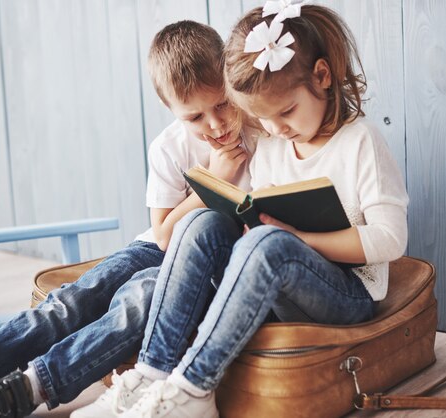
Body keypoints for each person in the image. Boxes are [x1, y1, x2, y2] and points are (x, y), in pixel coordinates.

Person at [0, 20, 253, 418]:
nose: (215, 125)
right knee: (72, 302)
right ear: (171, 110)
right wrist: (210, 185)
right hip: (154, 247)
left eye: (222, 105)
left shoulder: (261, 132)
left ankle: (28, 389)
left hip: (208, 263)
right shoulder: (169, 147)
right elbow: (163, 234)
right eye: (195, 117)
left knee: (138, 300)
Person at [103, 4, 410, 418]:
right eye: (264, 119)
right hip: (283, 286)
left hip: (348, 294)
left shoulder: (360, 143)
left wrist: (296, 239)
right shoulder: (273, 144)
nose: (276, 129)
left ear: (321, 77)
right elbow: (259, 209)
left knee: (270, 242)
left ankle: (193, 387)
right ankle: (153, 371)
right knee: (202, 221)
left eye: (285, 112)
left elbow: (391, 239)